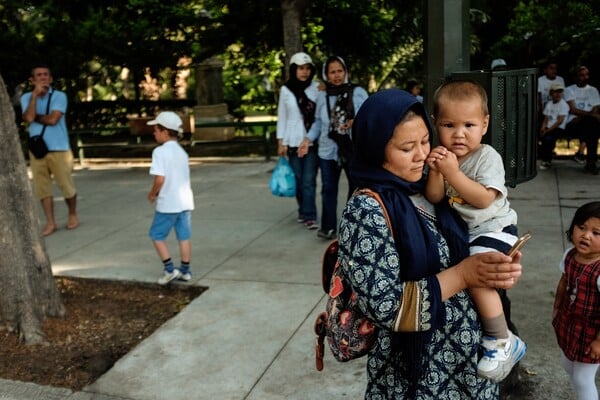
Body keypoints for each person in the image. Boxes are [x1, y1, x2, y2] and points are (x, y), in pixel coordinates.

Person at [340, 88, 522, 398]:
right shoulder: (367, 210)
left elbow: (470, 237)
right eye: (407, 147)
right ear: (375, 148)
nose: (422, 154)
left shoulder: (425, 183)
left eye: (425, 142)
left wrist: (496, 269)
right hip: (421, 376)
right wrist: (464, 274)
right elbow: (386, 305)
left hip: (470, 369)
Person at [425, 80, 526, 382]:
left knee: (480, 275)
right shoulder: (443, 157)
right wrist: (436, 171)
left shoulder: (486, 157)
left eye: (469, 124)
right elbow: (435, 197)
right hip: (471, 233)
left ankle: (502, 339)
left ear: (484, 124)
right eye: (449, 124)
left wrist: (453, 172)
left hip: (495, 228)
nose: (459, 133)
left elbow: (483, 198)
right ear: (436, 124)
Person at [301, 55, 368, 240]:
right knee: (328, 188)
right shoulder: (322, 95)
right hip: (327, 150)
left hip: (352, 148)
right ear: (326, 75)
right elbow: (317, 122)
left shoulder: (358, 92)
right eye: (332, 72)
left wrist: (356, 121)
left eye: (340, 71)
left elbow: (370, 116)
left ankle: (352, 227)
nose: (337, 75)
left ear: (345, 72)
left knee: (356, 189)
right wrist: (307, 140)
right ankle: (328, 227)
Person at [20, 64, 78, 236]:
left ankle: (72, 213)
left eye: (46, 75)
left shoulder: (60, 96)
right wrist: (35, 97)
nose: (43, 77)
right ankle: (50, 222)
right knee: (42, 187)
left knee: (66, 185)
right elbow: (28, 117)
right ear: (32, 80)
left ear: (51, 79)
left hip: (59, 147)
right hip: (37, 149)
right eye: (39, 75)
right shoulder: (27, 97)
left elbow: (53, 120)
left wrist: (35, 118)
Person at [552, 201, 600, 400]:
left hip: (592, 332)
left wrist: (599, 341)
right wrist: (557, 307)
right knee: (567, 362)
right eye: (581, 227)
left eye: (596, 233)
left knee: (583, 378)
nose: (586, 235)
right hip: (570, 322)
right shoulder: (570, 255)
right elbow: (564, 282)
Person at [146, 112, 195, 285]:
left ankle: (169, 270)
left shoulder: (159, 152)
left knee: (156, 235)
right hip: (185, 202)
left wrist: (152, 193)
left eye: (156, 130)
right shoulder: (182, 152)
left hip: (168, 203)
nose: (154, 133)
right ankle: (185, 271)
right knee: (184, 236)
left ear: (165, 132)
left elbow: (160, 178)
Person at [276, 52, 319, 229]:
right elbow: (282, 117)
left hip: (310, 142)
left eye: (308, 68)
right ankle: (302, 209)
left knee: (309, 180)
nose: (304, 72)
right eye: (301, 68)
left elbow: (319, 116)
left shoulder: (316, 89)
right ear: (294, 69)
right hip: (292, 141)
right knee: (299, 180)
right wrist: (280, 142)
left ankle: (310, 215)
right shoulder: (286, 90)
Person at [564, 65, 600, 174]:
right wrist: (590, 114)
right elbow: (573, 110)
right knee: (592, 126)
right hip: (574, 123)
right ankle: (590, 162)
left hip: (589, 123)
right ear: (575, 77)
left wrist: (587, 115)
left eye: (587, 75)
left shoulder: (593, 90)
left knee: (591, 126)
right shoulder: (569, 90)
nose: (585, 77)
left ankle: (589, 161)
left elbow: (596, 108)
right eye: (582, 75)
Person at [539, 82, 570, 170]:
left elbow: (559, 121)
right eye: (556, 92)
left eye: (560, 92)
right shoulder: (549, 104)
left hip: (558, 128)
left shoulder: (563, 105)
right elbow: (546, 118)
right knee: (542, 138)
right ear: (551, 93)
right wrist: (543, 128)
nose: (558, 94)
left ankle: (546, 161)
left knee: (549, 139)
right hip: (549, 127)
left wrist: (547, 131)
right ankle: (544, 156)